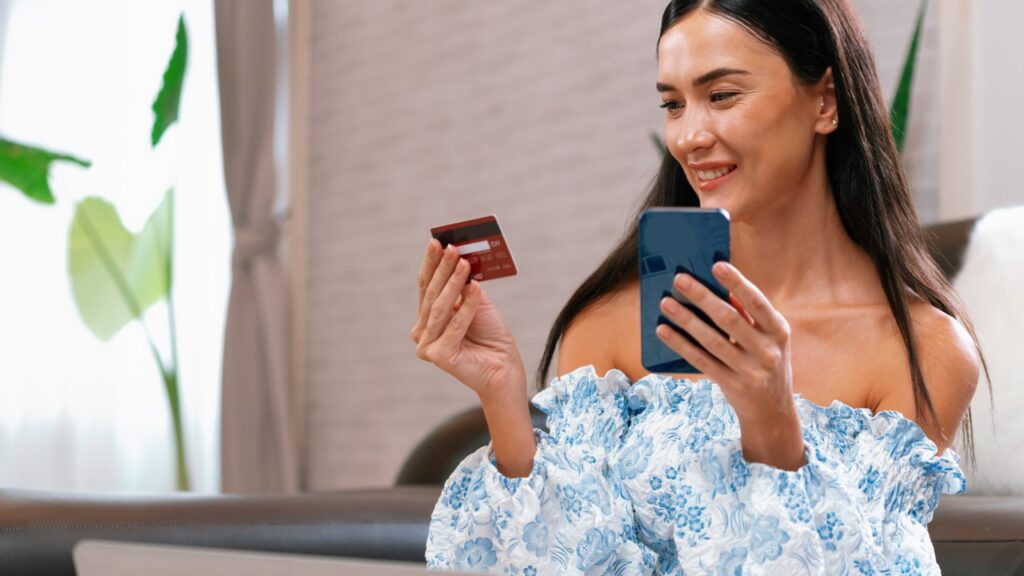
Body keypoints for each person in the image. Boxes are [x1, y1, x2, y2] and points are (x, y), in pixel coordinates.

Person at [411, 0, 990, 573]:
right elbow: (576, 560)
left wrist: (773, 426)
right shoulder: (610, 323)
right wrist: (503, 398)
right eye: (673, 104)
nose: (688, 136)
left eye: (722, 96)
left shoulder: (922, 348)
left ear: (826, 100)